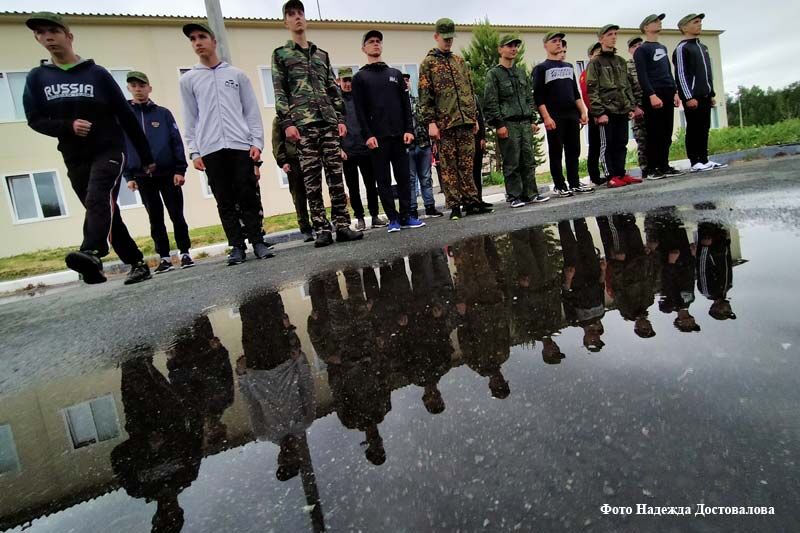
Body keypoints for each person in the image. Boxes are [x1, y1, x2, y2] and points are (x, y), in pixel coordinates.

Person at [22, 12, 154, 285]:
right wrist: (67, 126)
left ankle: (92, 251)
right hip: (74, 155)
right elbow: (35, 120)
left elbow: (126, 115)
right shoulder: (38, 78)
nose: (47, 37)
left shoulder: (97, 74)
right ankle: (137, 262)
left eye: (53, 31)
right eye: (40, 33)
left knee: (98, 196)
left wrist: (146, 156)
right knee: (102, 210)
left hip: (109, 148)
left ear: (68, 36)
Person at [179, 21, 273, 265]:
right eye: (192, 39)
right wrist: (194, 151)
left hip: (240, 145)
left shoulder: (236, 75)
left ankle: (258, 241)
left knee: (247, 195)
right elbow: (190, 118)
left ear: (213, 41)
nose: (197, 42)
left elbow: (251, 111)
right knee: (225, 199)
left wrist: (256, 143)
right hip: (211, 149)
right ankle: (236, 246)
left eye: (201, 37)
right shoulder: (189, 80)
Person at [272, 0, 363, 247]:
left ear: (305, 18)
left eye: (300, 12)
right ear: (286, 22)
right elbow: (279, 91)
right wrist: (287, 123)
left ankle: (342, 225)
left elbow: (331, 88)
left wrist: (340, 118)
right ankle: (321, 228)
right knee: (311, 180)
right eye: (291, 14)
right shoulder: (281, 55)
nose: (297, 17)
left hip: (327, 123)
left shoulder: (321, 55)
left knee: (336, 176)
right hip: (303, 126)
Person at [352, 30, 425, 233]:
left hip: (399, 136)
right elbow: (359, 110)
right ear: (364, 48)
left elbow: (405, 106)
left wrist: (409, 130)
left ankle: (407, 216)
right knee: (382, 180)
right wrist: (368, 135)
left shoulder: (395, 75)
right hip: (377, 139)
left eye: (378, 41)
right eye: (371, 42)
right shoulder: (360, 78)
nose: (376, 44)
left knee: (404, 178)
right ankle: (392, 219)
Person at [419, 18, 490, 220]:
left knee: (468, 164)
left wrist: (474, 117)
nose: (448, 41)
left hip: (465, 122)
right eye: (445, 38)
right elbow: (426, 95)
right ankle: (455, 206)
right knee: (449, 167)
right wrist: (431, 122)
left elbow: (469, 90)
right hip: (445, 124)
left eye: (451, 38)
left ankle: (472, 202)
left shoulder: (459, 61)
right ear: (436, 37)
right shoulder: (428, 64)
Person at [123, 71, 194, 273]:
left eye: (142, 85)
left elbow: (176, 141)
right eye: (134, 85)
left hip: (168, 173)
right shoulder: (125, 116)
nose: (138, 89)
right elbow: (123, 147)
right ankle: (164, 258)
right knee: (155, 218)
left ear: (149, 88)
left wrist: (180, 170)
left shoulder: (162, 113)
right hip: (142, 176)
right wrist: (129, 176)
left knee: (176, 215)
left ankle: (185, 253)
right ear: (129, 88)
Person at [484, 35, 550, 208]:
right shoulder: (494, 74)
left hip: (524, 123)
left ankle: (531, 193)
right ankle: (514, 196)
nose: (513, 49)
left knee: (528, 160)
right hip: (508, 123)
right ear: (500, 49)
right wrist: (499, 124)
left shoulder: (520, 72)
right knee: (512, 162)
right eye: (509, 46)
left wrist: (532, 119)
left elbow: (528, 96)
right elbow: (491, 101)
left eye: (515, 46)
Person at [533, 31, 595, 197]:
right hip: (554, 116)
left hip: (571, 115)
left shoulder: (568, 67)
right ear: (546, 45)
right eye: (554, 41)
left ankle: (574, 183)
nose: (558, 43)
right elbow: (538, 96)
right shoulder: (541, 68)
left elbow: (575, 92)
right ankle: (560, 185)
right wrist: (546, 117)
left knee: (573, 150)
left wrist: (583, 111)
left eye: (560, 41)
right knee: (556, 151)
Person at [586, 24, 642, 188]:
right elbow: (592, 89)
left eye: (615, 34)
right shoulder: (595, 63)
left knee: (621, 142)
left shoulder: (620, 61)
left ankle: (620, 173)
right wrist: (599, 112)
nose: (613, 37)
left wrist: (630, 106)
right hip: (606, 112)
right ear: (601, 38)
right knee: (606, 145)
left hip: (621, 110)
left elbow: (627, 85)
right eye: (610, 34)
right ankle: (610, 175)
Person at [673, 13, 727, 172]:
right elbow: (681, 75)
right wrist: (688, 96)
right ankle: (695, 161)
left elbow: (707, 73)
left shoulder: (702, 47)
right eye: (695, 22)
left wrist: (711, 93)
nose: (699, 24)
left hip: (705, 95)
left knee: (704, 127)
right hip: (693, 97)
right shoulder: (682, 48)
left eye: (700, 22)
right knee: (694, 128)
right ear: (684, 27)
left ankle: (704, 159)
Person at [635, 14, 684, 180]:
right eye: (655, 21)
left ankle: (664, 165)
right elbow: (642, 75)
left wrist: (675, 92)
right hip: (654, 94)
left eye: (659, 21)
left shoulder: (662, 48)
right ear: (646, 27)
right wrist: (651, 94)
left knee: (666, 131)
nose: (659, 23)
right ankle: (652, 168)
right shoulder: (642, 50)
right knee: (654, 132)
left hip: (668, 91)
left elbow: (668, 72)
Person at [339, 67, 382, 230]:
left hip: (365, 149)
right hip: (348, 152)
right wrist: (339, 148)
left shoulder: (360, 99)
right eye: (345, 81)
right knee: (353, 188)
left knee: (371, 184)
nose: (348, 84)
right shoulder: (336, 103)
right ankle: (360, 218)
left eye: (350, 80)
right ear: (339, 82)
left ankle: (375, 215)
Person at [405, 73, 444, 219]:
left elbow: (429, 121)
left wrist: (433, 142)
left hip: (424, 144)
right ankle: (412, 209)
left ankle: (430, 207)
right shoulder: (396, 105)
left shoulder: (419, 102)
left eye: (407, 80)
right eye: (403, 80)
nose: (405, 83)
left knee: (426, 177)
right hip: (407, 147)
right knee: (411, 179)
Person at [271, 117, 314, 242]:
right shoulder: (280, 119)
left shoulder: (301, 111)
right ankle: (306, 229)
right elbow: (277, 141)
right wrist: (283, 161)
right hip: (293, 160)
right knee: (299, 196)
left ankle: (319, 223)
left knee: (314, 192)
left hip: (308, 156)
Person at [579, 42, 604, 185]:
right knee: (596, 146)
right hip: (595, 112)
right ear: (590, 56)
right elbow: (586, 95)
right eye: (596, 53)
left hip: (609, 112)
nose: (599, 56)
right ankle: (594, 176)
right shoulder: (586, 73)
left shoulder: (604, 71)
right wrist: (595, 113)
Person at [626, 37, 649, 179]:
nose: (638, 48)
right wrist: (634, 107)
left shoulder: (649, 63)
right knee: (642, 140)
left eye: (640, 45)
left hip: (652, 105)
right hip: (638, 107)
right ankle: (646, 169)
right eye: (634, 46)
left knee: (658, 137)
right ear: (629, 50)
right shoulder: (627, 66)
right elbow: (626, 89)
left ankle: (660, 165)